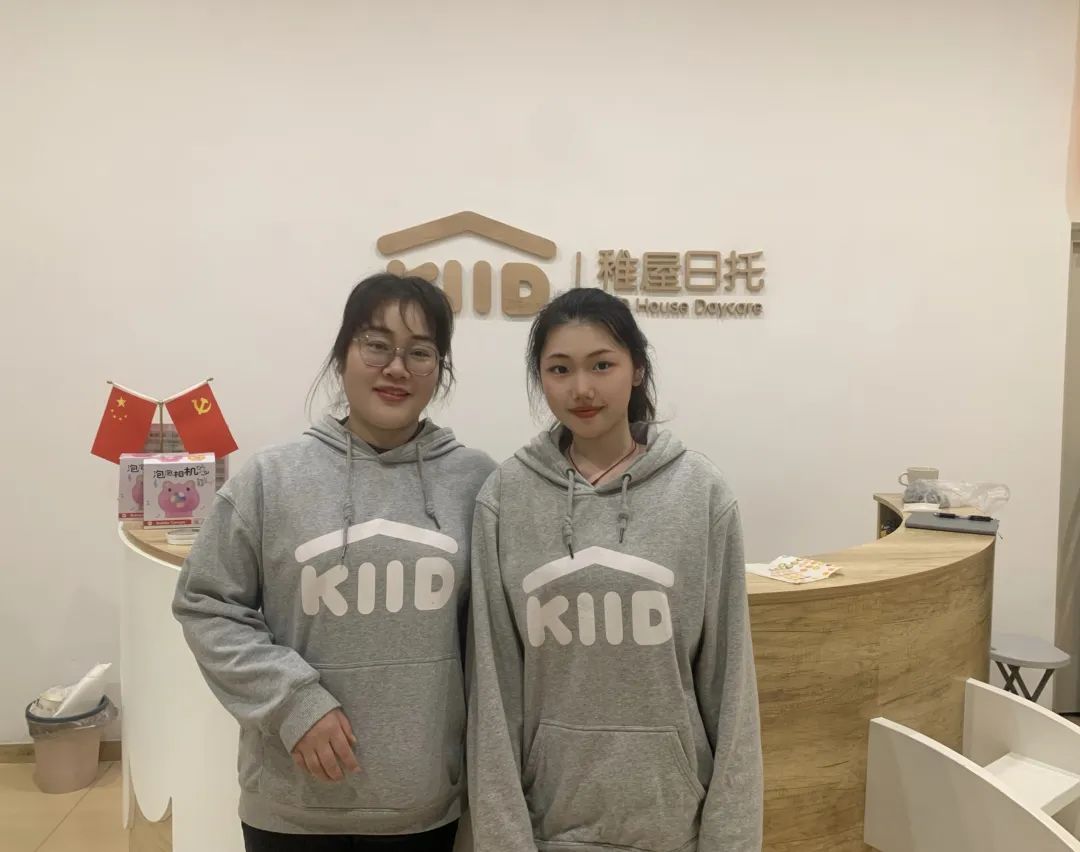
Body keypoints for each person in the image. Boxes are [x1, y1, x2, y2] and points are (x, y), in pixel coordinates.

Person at [174, 273, 496, 852]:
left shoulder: (476, 482)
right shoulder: (271, 478)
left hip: (422, 806)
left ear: (440, 370)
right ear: (343, 352)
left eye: (420, 352)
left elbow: (492, 642)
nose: (396, 368)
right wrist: (294, 701)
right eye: (376, 345)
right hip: (292, 807)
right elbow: (206, 605)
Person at [467, 288, 763, 852]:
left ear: (637, 369)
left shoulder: (700, 493)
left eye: (602, 365)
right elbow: (493, 692)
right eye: (560, 369)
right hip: (548, 827)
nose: (581, 388)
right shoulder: (505, 498)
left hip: (673, 829)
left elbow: (731, 688)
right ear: (540, 379)